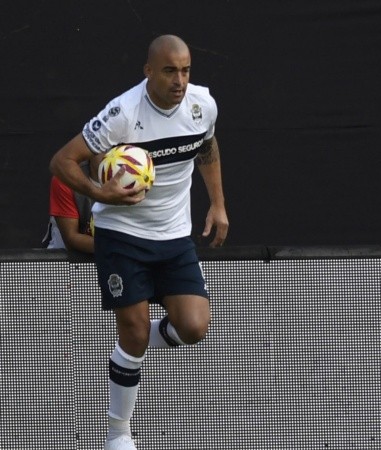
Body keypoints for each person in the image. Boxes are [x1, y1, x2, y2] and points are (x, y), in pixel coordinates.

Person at [49, 35, 228, 450]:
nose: (179, 80)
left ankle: (131, 343)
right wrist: (101, 194)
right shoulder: (122, 114)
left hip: (174, 235)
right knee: (132, 329)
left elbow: (208, 148)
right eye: (169, 71)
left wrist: (217, 204)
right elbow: (61, 161)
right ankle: (118, 432)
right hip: (122, 235)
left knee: (195, 327)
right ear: (148, 71)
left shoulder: (203, 105)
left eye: (185, 70)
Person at [42, 159, 98, 253]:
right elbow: (71, 240)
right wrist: (120, 247)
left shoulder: (130, 179)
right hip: (66, 260)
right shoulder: (67, 178)